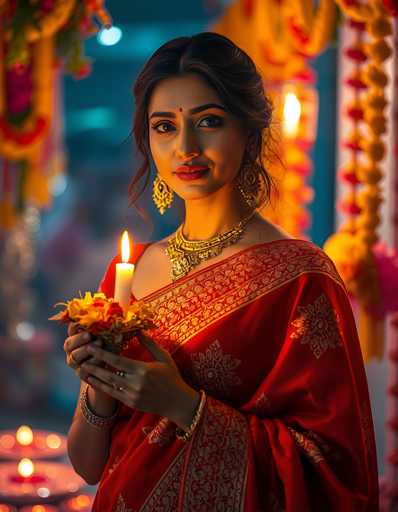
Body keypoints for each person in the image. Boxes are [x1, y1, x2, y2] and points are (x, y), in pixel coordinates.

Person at [64, 32, 379, 511]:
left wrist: (182, 405)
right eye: (164, 126)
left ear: (248, 134)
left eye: (208, 121)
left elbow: (335, 475)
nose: (185, 147)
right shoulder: (128, 272)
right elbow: (88, 465)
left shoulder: (300, 279)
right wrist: (100, 387)